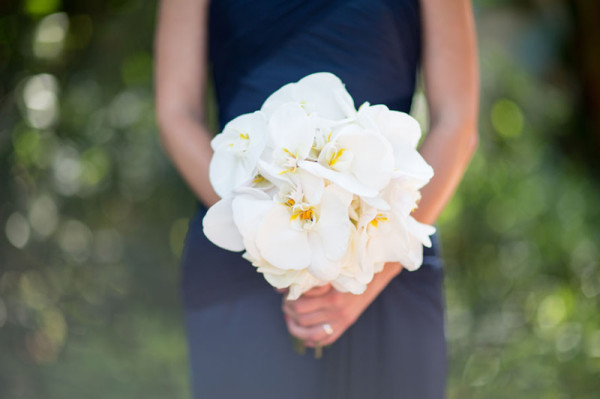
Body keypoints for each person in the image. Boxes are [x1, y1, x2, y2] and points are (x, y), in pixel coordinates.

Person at [153, 0, 478, 397]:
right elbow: (176, 112)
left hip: (384, 251)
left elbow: (457, 122)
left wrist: (373, 268)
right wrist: (265, 233)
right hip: (239, 252)